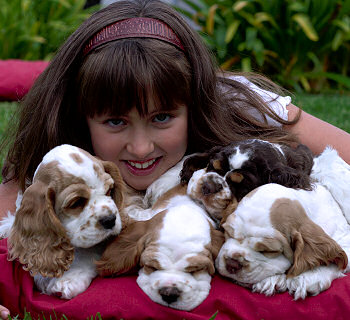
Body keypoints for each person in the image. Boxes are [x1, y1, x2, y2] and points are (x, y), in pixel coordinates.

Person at [0, 0, 350, 318]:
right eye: (115, 122)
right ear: (82, 119)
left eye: (162, 118)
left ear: (193, 105)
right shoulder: (57, 147)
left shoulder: (235, 101)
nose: (140, 148)